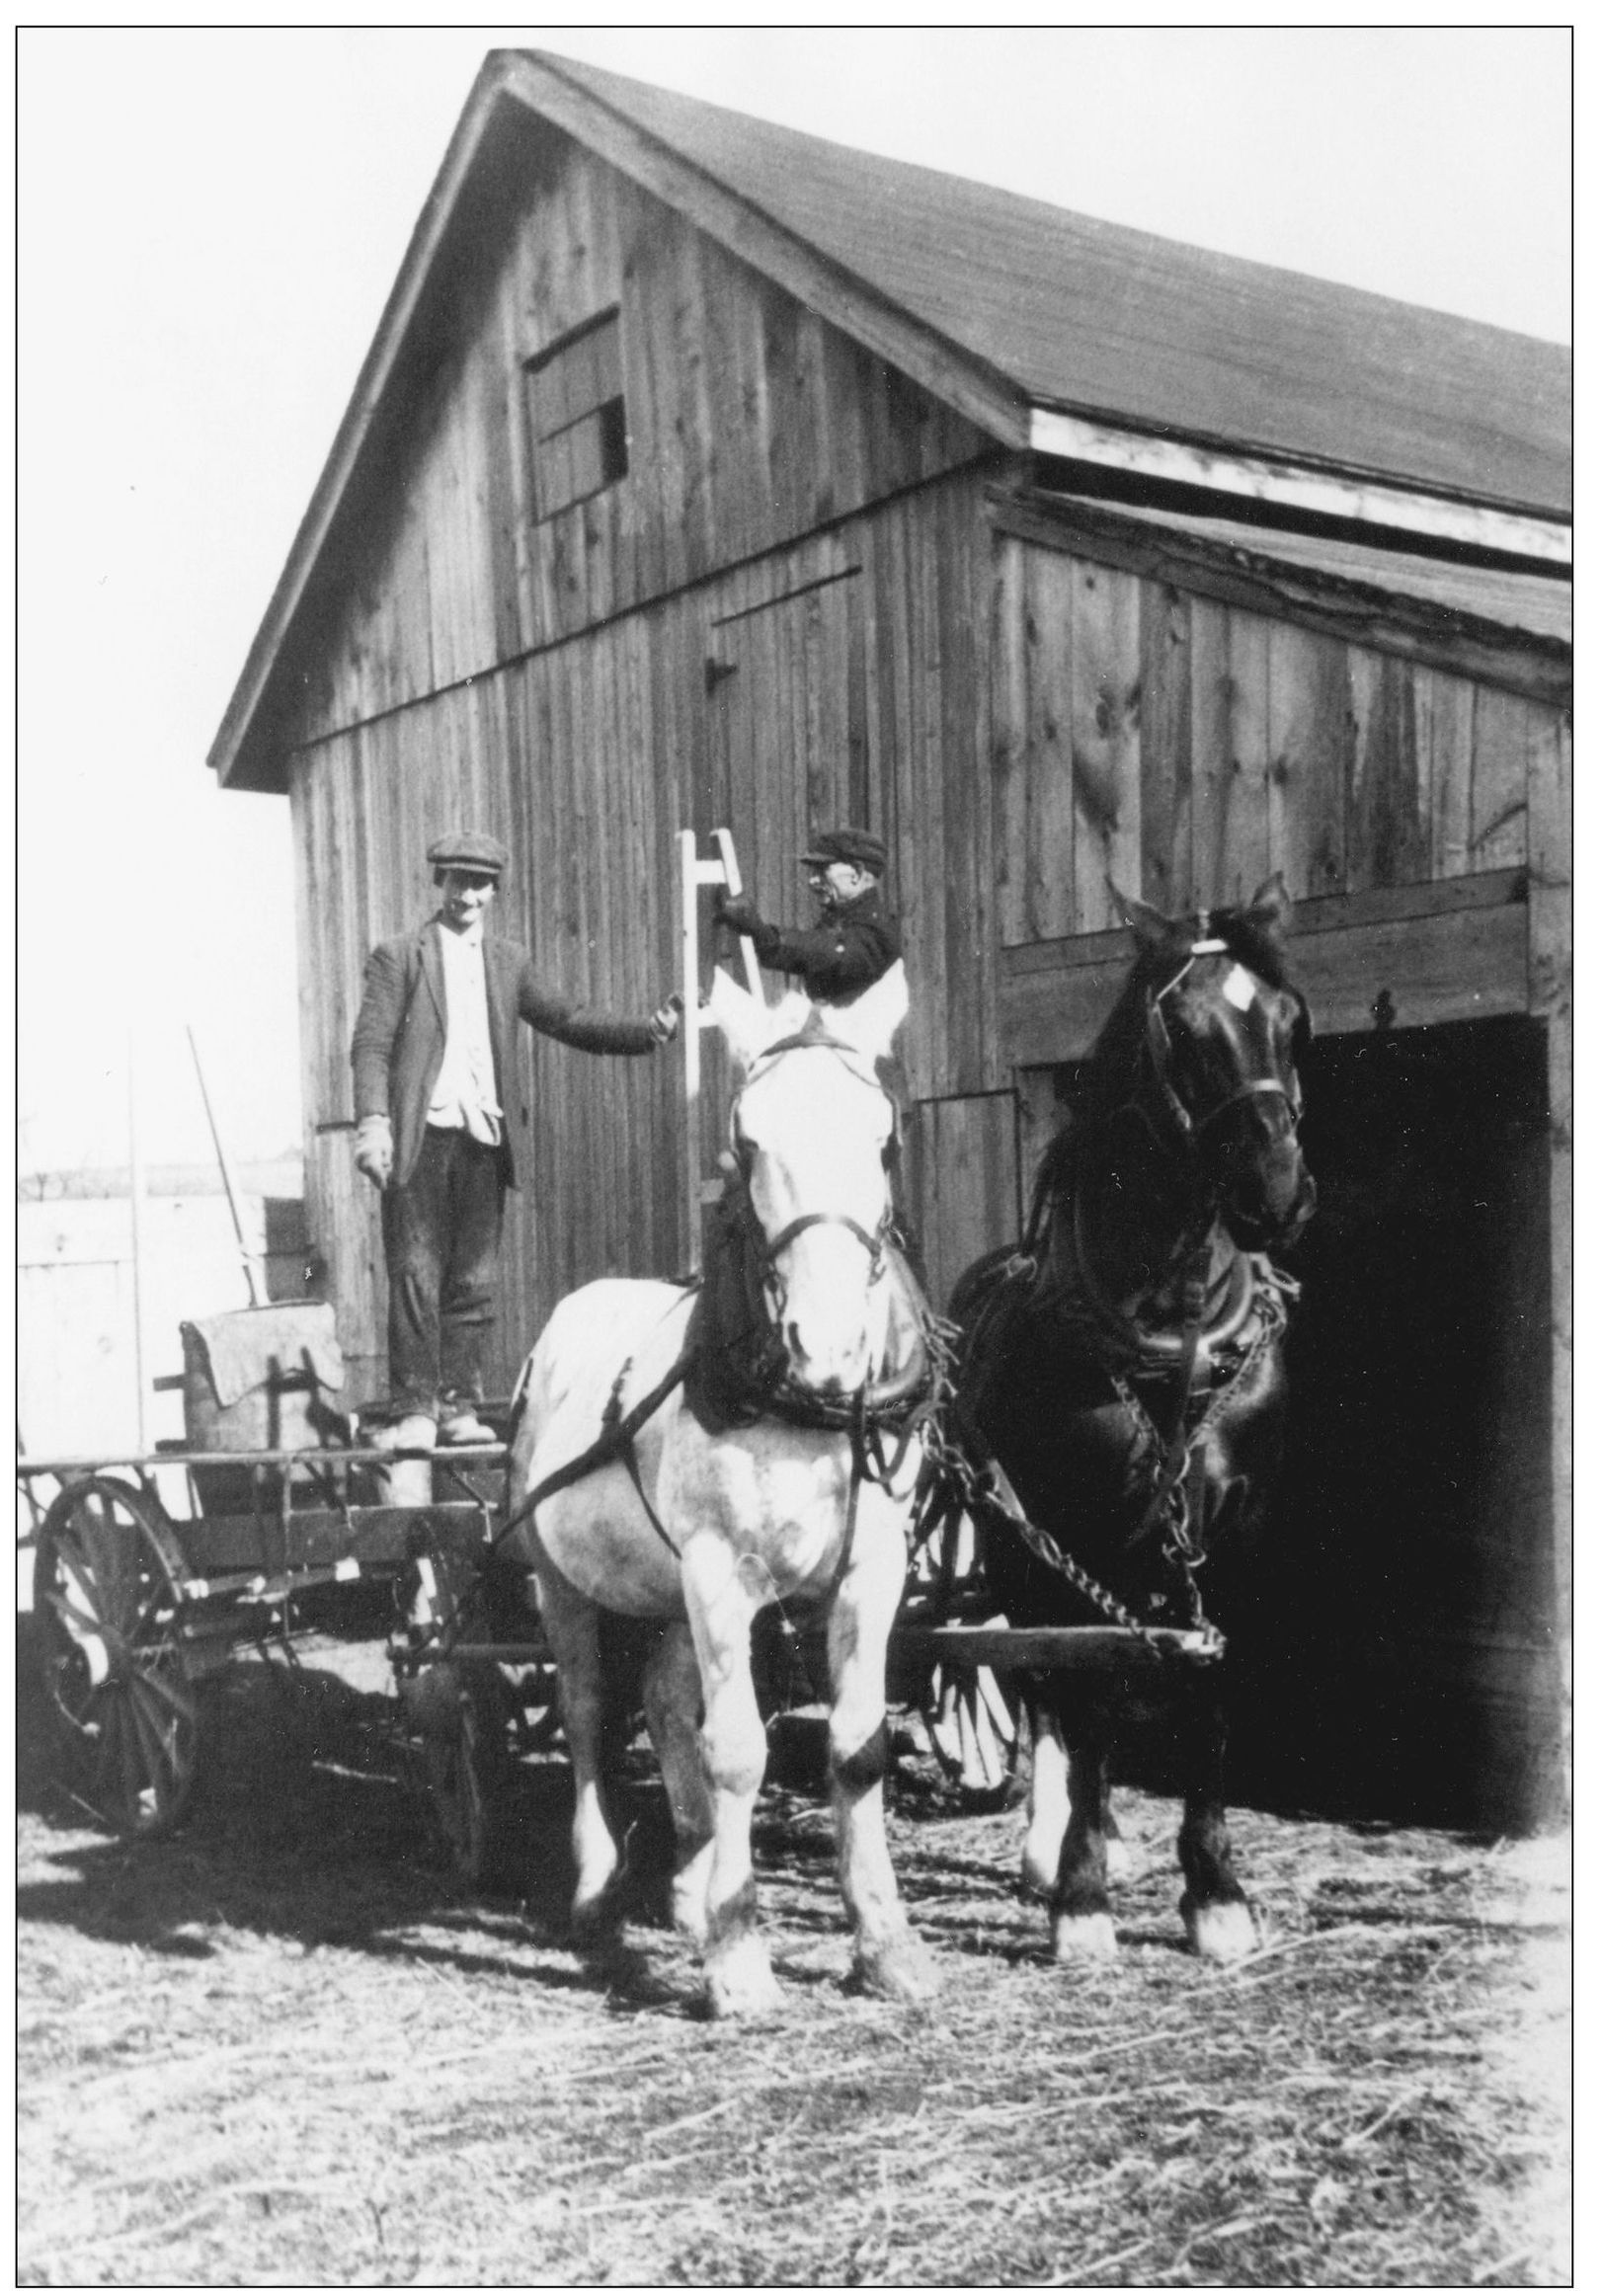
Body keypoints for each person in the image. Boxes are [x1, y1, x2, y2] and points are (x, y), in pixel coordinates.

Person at [351, 831, 680, 1448]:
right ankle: (415, 1409)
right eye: (456, 881)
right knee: (417, 1272)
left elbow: (568, 1017)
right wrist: (374, 1122)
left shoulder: (508, 962)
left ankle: (457, 1406)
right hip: (421, 1136)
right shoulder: (401, 956)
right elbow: (369, 1046)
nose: (466, 894)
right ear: (439, 885)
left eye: (479, 884)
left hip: (483, 1136)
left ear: (495, 892)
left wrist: (646, 1031)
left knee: (474, 1278)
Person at [711, 826, 901, 1004]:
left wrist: (762, 933)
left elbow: (827, 951)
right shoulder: (841, 919)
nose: (812, 881)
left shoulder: (878, 933)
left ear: (857, 873)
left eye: (822, 870)